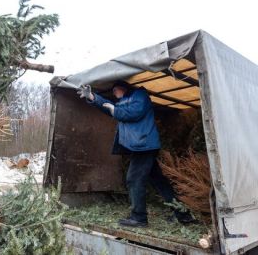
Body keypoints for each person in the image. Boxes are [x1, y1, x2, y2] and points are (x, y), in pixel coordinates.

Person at [77, 81, 194, 228]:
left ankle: (139, 218)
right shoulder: (123, 101)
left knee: (134, 179)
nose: (114, 93)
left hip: (144, 145)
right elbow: (109, 107)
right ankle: (183, 215)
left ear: (123, 88)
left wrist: (115, 110)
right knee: (160, 182)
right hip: (141, 146)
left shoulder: (139, 95)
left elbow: (134, 112)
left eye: (115, 90)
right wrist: (93, 97)